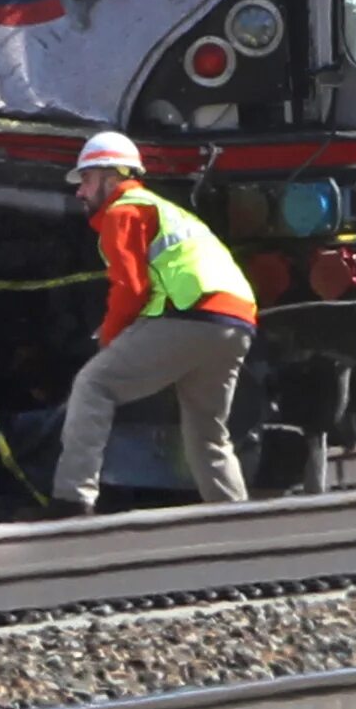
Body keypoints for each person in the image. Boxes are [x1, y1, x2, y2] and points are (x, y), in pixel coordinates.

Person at [49, 130, 257, 517]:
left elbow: (129, 287)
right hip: (236, 322)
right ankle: (239, 521)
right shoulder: (164, 209)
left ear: (112, 178)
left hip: (193, 314)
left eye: (87, 179)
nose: (81, 191)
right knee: (207, 431)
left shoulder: (123, 210)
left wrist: (109, 339)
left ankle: (72, 500)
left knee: (93, 385)